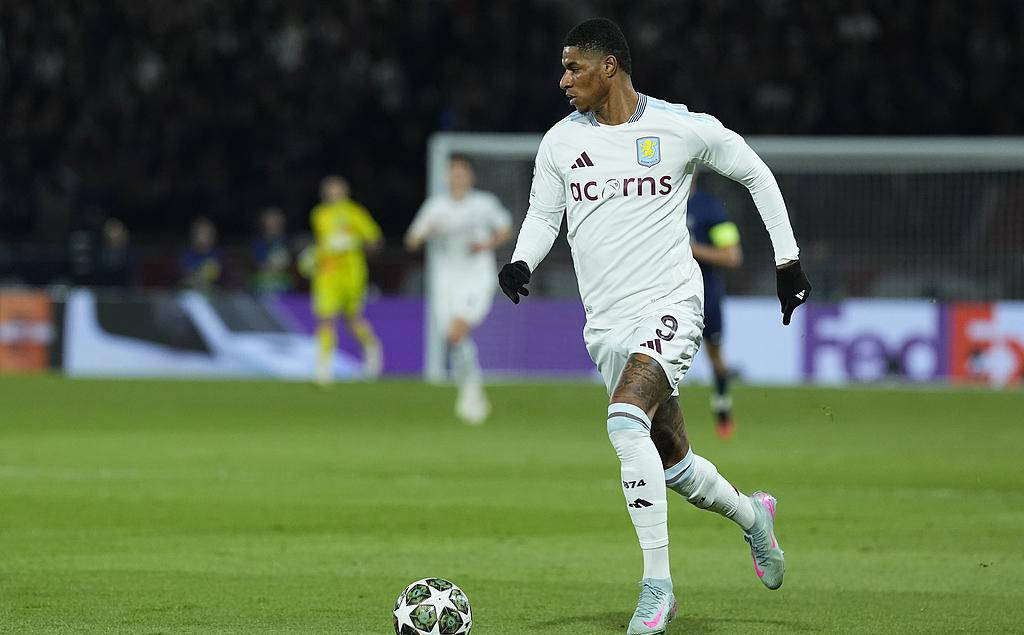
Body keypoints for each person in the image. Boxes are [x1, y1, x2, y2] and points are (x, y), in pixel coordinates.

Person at [497, 18, 811, 634]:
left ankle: (657, 587)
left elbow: (755, 172)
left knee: (623, 420)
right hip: (606, 324)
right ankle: (753, 516)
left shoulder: (679, 127)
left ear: (609, 66)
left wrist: (788, 261)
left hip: (671, 304)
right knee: (674, 465)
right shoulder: (560, 142)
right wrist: (520, 260)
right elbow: (543, 216)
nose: (563, 81)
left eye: (573, 68)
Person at [405, 156, 513, 424]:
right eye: (453, 173)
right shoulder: (436, 207)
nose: (457, 178)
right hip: (445, 282)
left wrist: (486, 244)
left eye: (462, 173)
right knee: (453, 339)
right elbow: (412, 240)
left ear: (470, 177)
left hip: (476, 277)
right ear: (447, 177)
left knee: (457, 331)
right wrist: (426, 234)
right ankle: (471, 388)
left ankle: (471, 390)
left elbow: (505, 229)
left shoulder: (483, 204)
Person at [309, 175, 383, 384]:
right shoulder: (319, 214)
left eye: (337, 190)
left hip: (352, 274)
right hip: (327, 274)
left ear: (345, 192)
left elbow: (375, 240)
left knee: (352, 320)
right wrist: (314, 257)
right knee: (326, 317)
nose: (333, 194)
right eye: (330, 190)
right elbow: (321, 242)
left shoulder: (355, 212)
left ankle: (372, 348)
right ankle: (323, 368)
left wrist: (353, 242)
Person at [686, 173, 743, 439]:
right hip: (663, 294)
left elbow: (732, 256)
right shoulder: (654, 201)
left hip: (705, 294)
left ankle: (722, 406)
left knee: (715, 354)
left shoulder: (709, 207)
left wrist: (690, 249)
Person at [250, 207, 293, 294]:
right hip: (263, 284)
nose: (274, 223)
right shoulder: (258, 243)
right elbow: (259, 265)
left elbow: (289, 264)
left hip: (284, 283)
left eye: (277, 220)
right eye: (270, 220)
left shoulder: (287, 241)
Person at [180, 217, 222, 291]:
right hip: (191, 290)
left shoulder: (217, 255)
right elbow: (186, 275)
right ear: (193, 236)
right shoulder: (187, 255)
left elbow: (217, 274)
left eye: (207, 235)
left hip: (212, 291)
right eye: (200, 234)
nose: (203, 238)